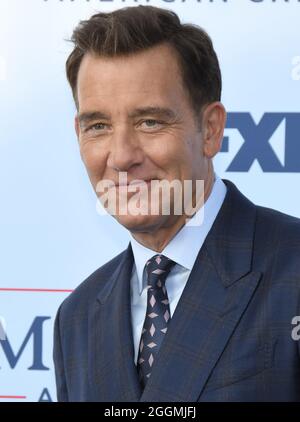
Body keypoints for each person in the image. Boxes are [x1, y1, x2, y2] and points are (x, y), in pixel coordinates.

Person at [53, 5, 300, 402]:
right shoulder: (77, 317)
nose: (120, 156)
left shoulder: (292, 268)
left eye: (149, 122)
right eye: (98, 126)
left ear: (211, 130)